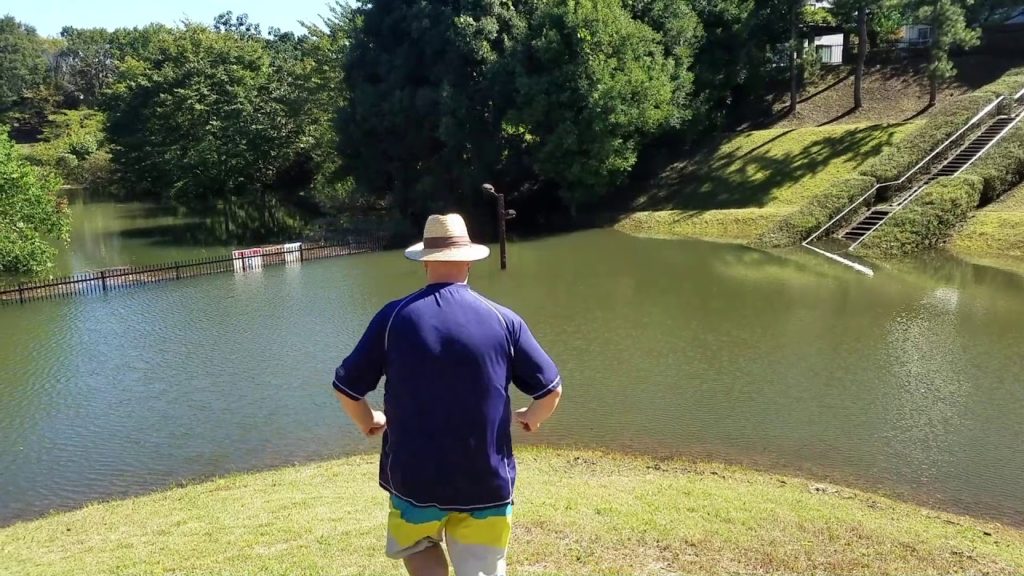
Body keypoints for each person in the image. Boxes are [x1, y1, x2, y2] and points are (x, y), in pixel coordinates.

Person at [332, 213, 563, 576]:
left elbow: (346, 388)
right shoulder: (504, 320)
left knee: (417, 544)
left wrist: (368, 421)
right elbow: (551, 390)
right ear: (469, 259)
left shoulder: (393, 318)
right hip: (485, 481)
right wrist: (532, 419)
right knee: (482, 565)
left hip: (414, 479)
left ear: (425, 261)